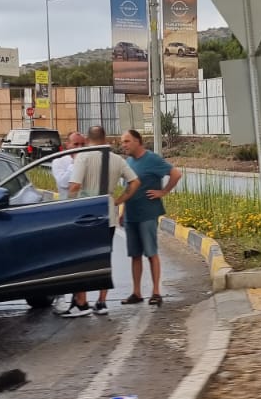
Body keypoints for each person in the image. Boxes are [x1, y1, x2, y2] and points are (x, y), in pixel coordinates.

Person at [62, 127, 138, 317]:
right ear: (105, 139)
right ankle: (102, 302)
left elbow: (75, 185)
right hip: (107, 216)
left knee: (81, 259)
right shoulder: (117, 159)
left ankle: (81, 301)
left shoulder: (84, 157)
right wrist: (119, 200)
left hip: (85, 217)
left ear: (88, 140)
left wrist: (69, 204)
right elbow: (135, 182)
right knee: (104, 259)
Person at [118, 128, 181, 308]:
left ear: (138, 141)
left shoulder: (152, 159)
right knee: (135, 255)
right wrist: (122, 212)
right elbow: (127, 189)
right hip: (131, 215)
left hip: (147, 214)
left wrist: (164, 191)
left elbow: (176, 173)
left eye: (127, 141)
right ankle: (136, 292)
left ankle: (156, 292)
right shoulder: (128, 162)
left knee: (151, 253)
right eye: (123, 142)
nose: (124, 145)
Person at [51, 131, 86, 200]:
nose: (80, 147)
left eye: (83, 144)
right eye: (76, 144)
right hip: (68, 203)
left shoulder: (88, 160)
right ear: (68, 145)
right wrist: (75, 162)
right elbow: (63, 184)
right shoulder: (58, 162)